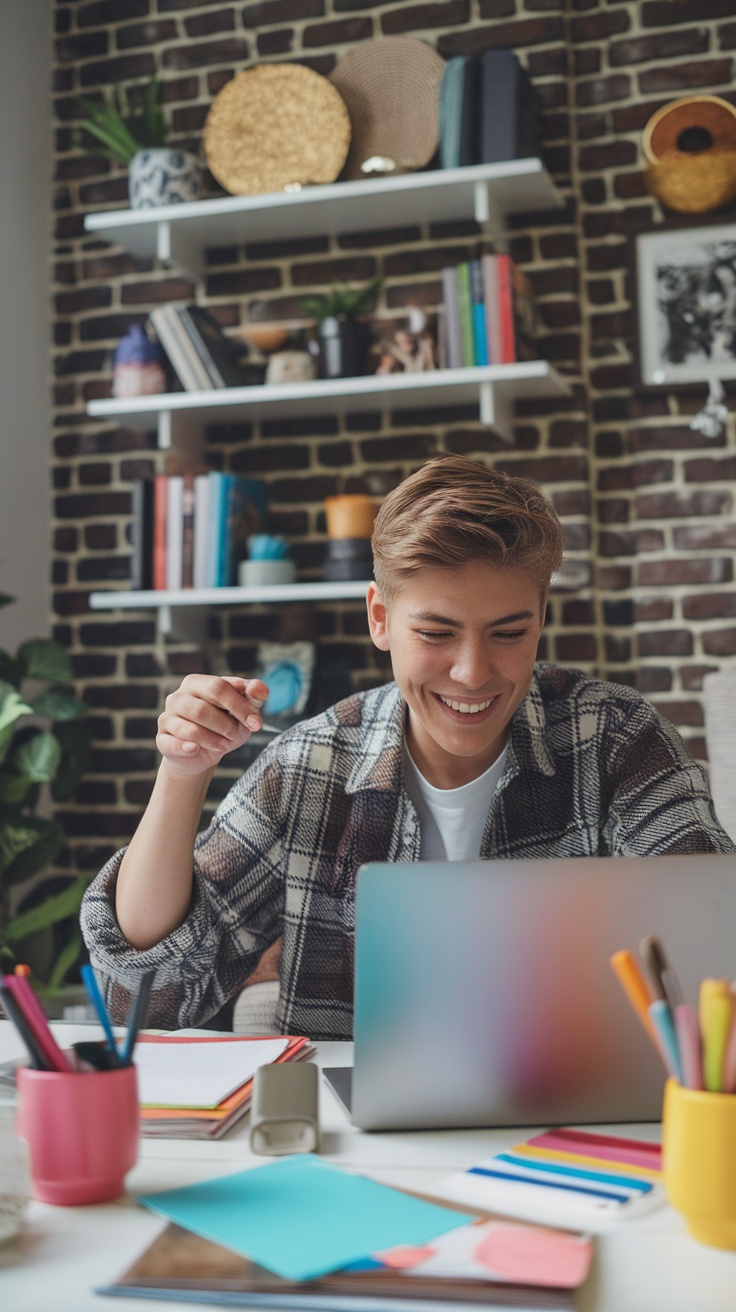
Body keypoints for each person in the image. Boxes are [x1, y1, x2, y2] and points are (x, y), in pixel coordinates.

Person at [80, 455, 735, 1040]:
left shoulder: (616, 740)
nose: (473, 672)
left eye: (509, 633)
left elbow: (716, 941)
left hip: (584, 1122)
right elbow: (145, 995)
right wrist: (182, 771)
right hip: (360, 1140)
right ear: (379, 619)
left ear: (541, 618)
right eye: (437, 633)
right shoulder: (310, 766)